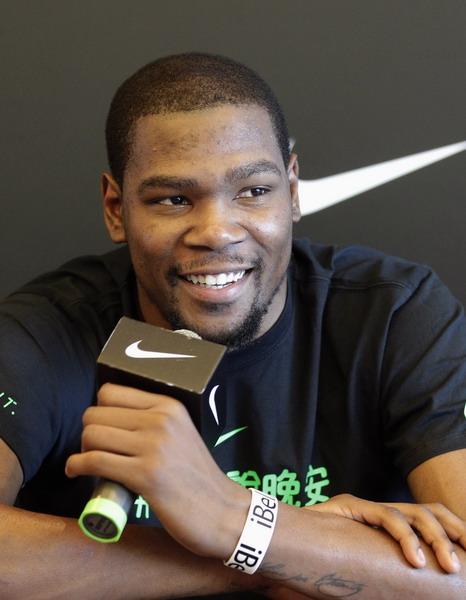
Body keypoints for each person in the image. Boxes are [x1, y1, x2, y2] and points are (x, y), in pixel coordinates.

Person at [0, 52, 465, 600]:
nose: (217, 233)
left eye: (253, 191)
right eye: (173, 199)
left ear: (292, 191)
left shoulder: (393, 313)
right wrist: (280, 547)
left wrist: (230, 516)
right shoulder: (50, 328)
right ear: (116, 208)